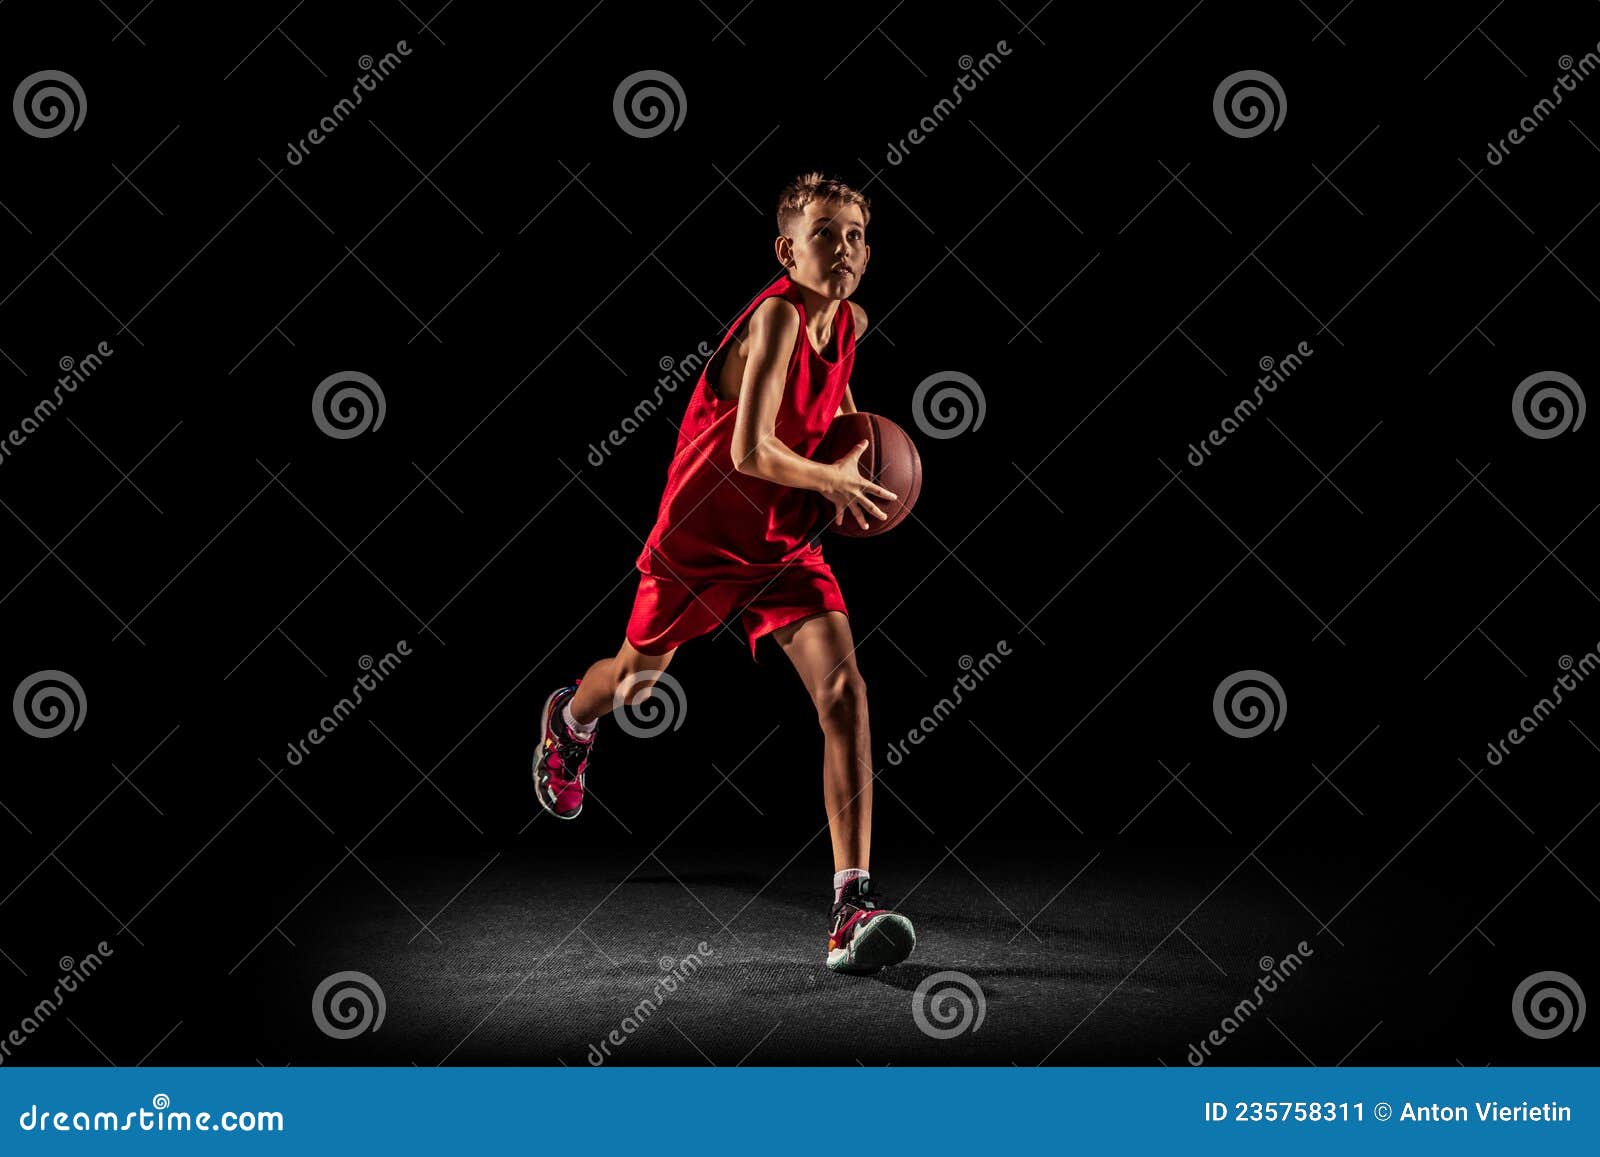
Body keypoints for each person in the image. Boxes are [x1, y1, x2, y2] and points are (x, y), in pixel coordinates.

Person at [532, 172, 915, 974]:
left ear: (867, 253)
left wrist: (849, 459)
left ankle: (851, 906)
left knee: (845, 695)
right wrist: (834, 481)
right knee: (637, 681)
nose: (840, 247)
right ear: (787, 248)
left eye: (853, 236)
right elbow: (750, 451)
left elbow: (838, 404)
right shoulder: (774, 317)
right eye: (823, 233)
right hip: (701, 539)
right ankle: (571, 718)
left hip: (784, 543)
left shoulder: (852, 320)